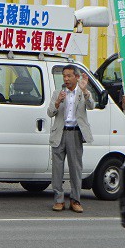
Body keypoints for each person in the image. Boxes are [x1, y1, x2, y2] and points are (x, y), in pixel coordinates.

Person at [47, 65, 94, 213]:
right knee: (57, 169)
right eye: (64, 76)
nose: (66, 79)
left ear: (76, 77)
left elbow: (92, 105)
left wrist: (86, 90)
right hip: (59, 133)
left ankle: (75, 200)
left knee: (75, 168)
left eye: (69, 76)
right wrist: (57, 102)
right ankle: (59, 200)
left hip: (75, 133)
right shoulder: (58, 93)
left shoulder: (82, 92)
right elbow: (50, 113)